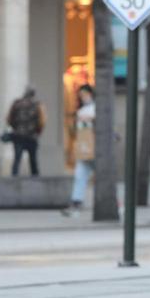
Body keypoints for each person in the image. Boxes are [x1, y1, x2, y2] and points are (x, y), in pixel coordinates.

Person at [62, 85, 96, 217]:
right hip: (84, 148)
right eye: (81, 95)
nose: (83, 97)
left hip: (94, 148)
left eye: (85, 94)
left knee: (101, 177)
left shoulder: (96, 108)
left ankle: (116, 203)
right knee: (80, 175)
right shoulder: (81, 110)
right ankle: (76, 201)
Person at [6, 87, 45, 177]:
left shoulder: (16, 103)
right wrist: (38, 132)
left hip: (18, 135)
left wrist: (15, 128)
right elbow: (42, 121)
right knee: (33, 160)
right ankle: (35, 181)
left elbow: (9, 118)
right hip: (32, 136)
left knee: (17, 159)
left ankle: (13, 180)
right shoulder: (37, 104)